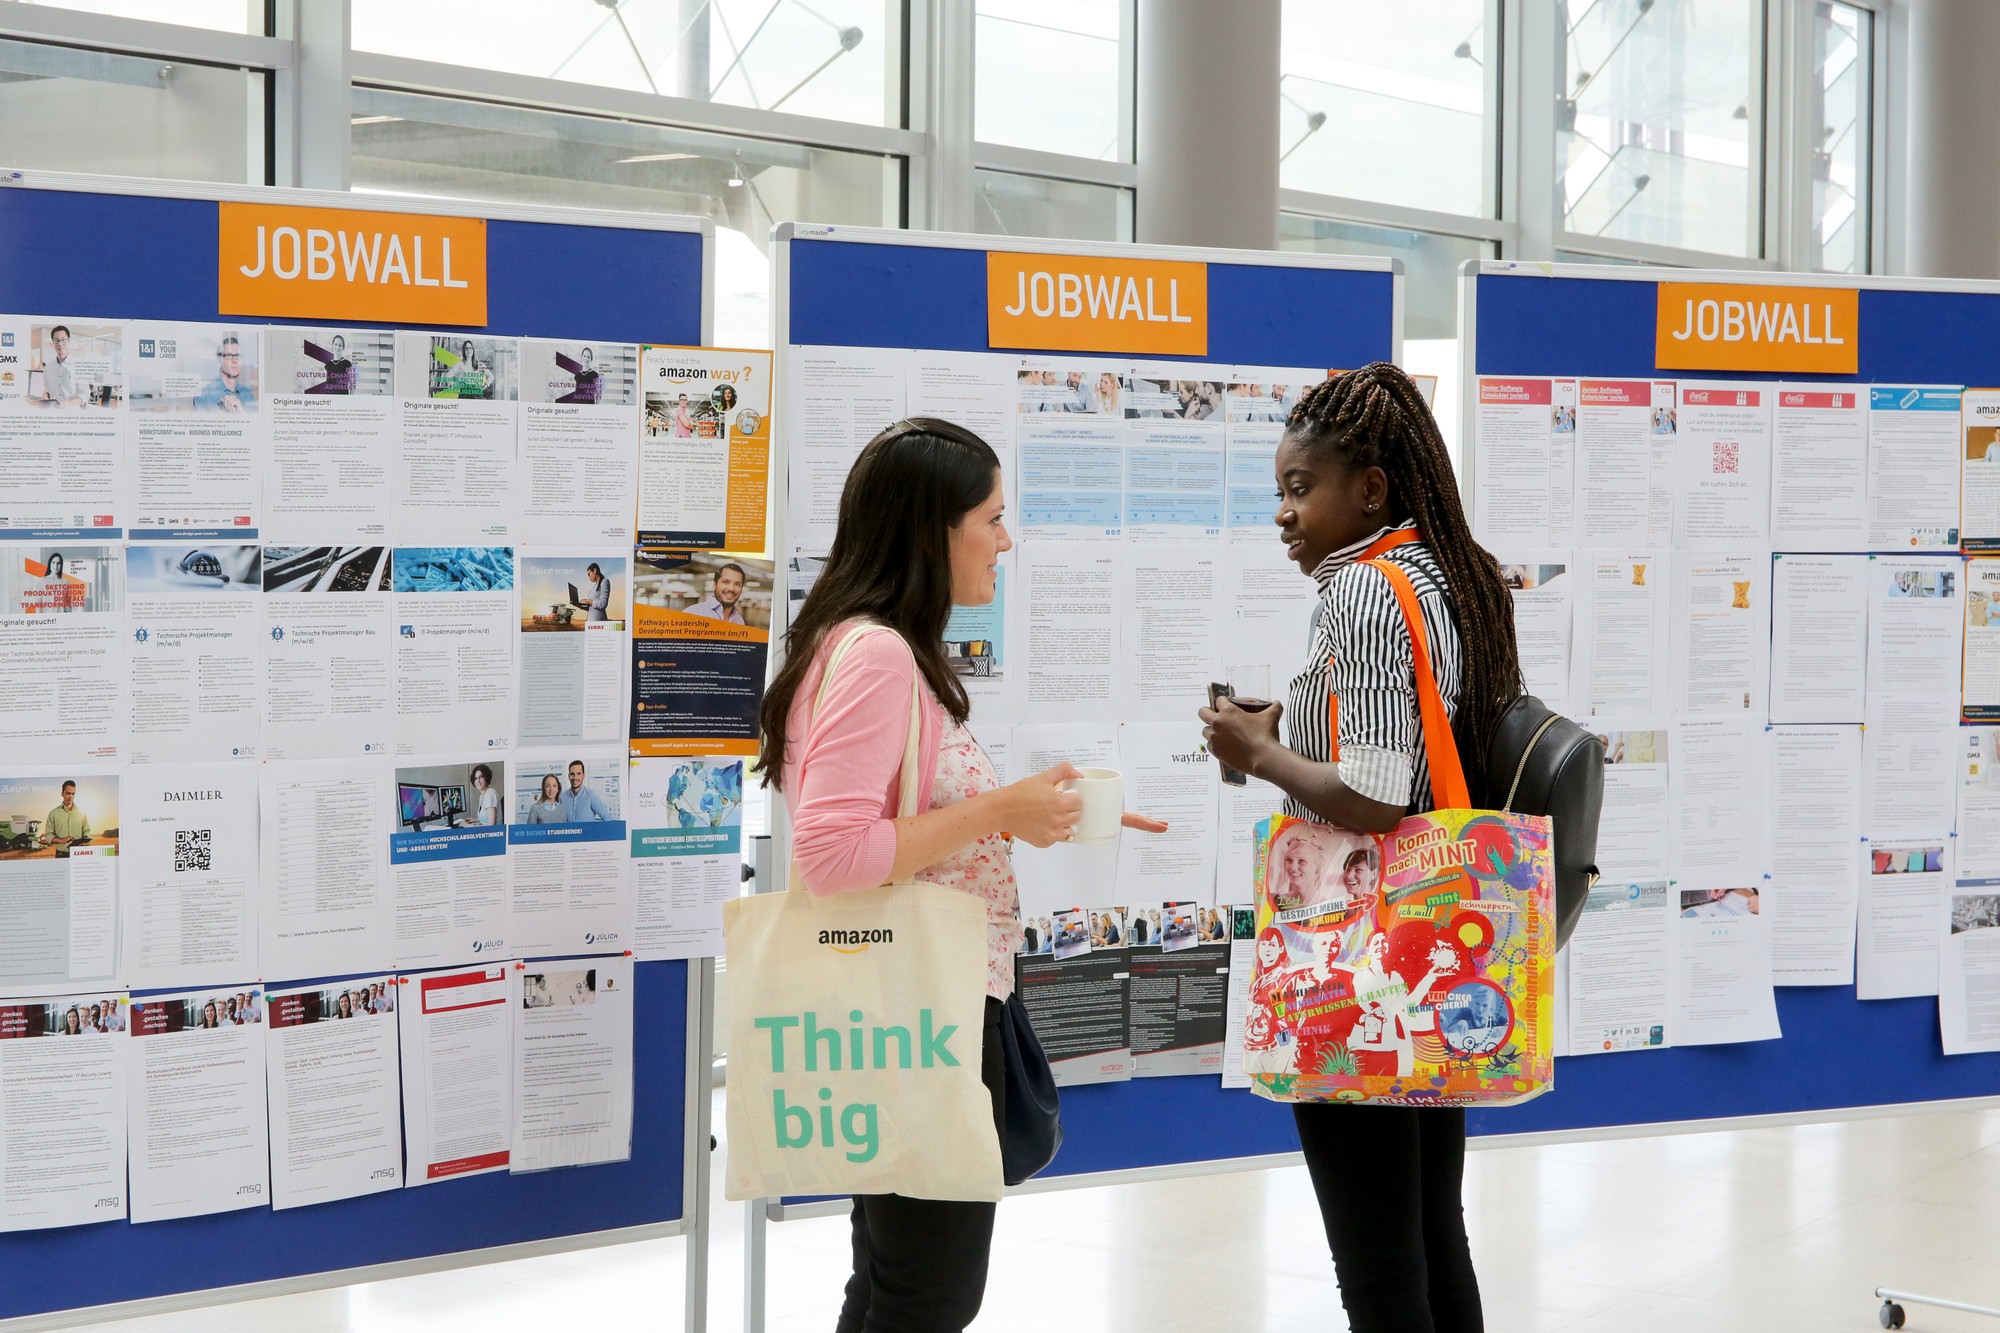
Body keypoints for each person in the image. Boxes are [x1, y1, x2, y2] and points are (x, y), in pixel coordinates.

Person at [756, 417, 1165, 1333]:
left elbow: (893, 826)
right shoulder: (879, 655)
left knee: (895, 1282)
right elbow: (830, 858)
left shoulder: (853, 640)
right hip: (918, 1012)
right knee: (929, 1292)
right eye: (992, 518)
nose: (1005, 541)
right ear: (932, 530)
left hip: (903, 1004)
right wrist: (994, 813)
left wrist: (1026, 812)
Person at [1200, 362, 1522, 1333]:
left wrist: (1259, 751)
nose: (1282, 515)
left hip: (1363, 964)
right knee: (1430, 1232)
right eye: (1277, 493)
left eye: (1300, 489)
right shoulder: (1451, 573)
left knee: (1378, 1271)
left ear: (1369, 488)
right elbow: (1418, 761)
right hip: (1432, 946)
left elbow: (1377, 799)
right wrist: (1291, 731)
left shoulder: (1361, 594)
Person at [193, 334, 254, 411]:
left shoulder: (248, 394)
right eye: (229, 356)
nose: (235, 360)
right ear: (219, 361)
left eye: (238, 355)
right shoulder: (203, 396)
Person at [37, 324, 81, 406]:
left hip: (72, 413)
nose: (60, 344)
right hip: (53, 411)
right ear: (53, 343)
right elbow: (47, 388)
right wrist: (45, 395)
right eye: (56, 340)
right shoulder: (48, 368)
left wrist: (69, 403)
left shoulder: (79, 365)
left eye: (63, 340)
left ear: (69, 341)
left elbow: (84, 394)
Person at [42, 780, 89, 848]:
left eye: (73, 794)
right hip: (61, 856)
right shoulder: (53, 813)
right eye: (68, 793)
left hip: (78, 854)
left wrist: (85, 840)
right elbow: (48, 835)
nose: (71, 797)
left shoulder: (82, 813)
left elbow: (86, 831)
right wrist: (61, 840)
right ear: (62, 794)